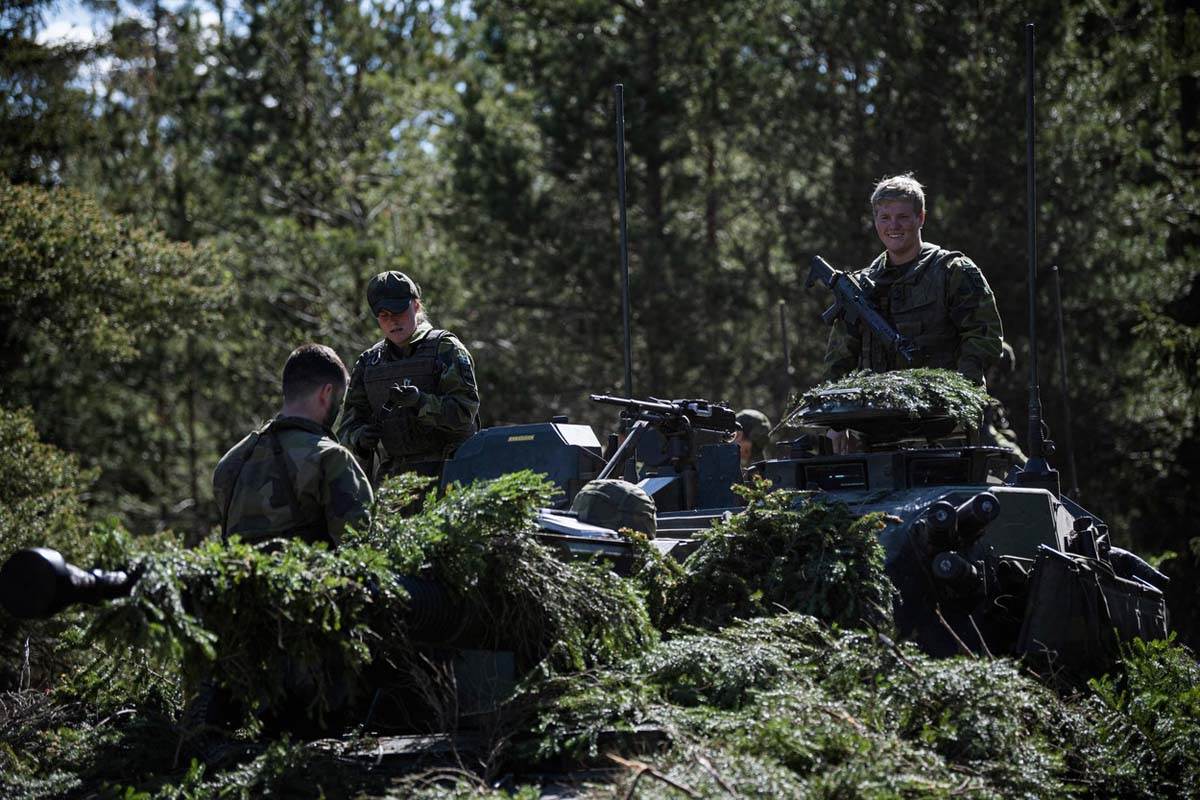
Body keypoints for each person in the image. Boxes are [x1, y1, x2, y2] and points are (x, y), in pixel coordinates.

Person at [824, 173, 1003, 385]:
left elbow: (984, 338)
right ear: (875, 221)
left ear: (921, 218)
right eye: (885, 218)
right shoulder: (859, 287)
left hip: (940, 409)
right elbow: (838, 362)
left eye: (903, 217)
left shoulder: (952, 272)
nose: (893, 226)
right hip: (874, 411)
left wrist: (959, 389)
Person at [213, 343, 373, 546]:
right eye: (340, 402)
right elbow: (360, 551)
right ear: (326, 393)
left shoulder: (230, 462)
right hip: (313, 577)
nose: (339, 409)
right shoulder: (330, 458)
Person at [337, 270, 480, 483]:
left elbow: (465, 411)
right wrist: (360, 438)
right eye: (384, 315)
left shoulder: (446, 349)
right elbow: (347, 428)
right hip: (393, 485)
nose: (392, 321)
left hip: (449, 477)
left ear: (416, 305)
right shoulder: (369, 362)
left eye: (398, 311)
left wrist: (420, 402)